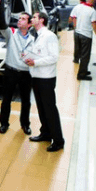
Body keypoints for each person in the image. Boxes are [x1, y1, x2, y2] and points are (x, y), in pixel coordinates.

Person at [24, 11, 65, 152]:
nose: (32, 19)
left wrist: (35, 62)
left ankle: (58, 140)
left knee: (50, 109)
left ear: (41, 20)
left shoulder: (49, 36)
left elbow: (54, 57)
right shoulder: (36, 36)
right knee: (41, 108)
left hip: (46, 78)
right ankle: (46, 133)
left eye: (34, 17)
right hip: (36, 76)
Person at [0, 12, 34, 135]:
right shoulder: (11, 33)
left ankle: (25, 124)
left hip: (26, 73)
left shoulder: (33, 39)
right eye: (19, 18)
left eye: (23, 19)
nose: (19, 21)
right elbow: (1, 24)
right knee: (6, 99)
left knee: (26, 100)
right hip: (11, 71)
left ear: (29, 24)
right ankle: (4, 124)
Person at [70, 0, 96, 81]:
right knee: (85, 56)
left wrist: (75, 27)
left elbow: (73, 18)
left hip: (77, 33)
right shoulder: (92, 11)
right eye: (94, 0)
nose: (95, 2)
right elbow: (94, 26)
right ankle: (81, 74)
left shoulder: (78, 7)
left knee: (80, 53)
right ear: (92, 1)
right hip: (86, 35)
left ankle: (84, 70)